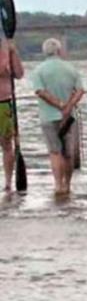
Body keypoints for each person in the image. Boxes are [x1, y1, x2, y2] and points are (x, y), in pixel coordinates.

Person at [30, 38, 84, 195]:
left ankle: (58, 186)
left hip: (48, 116)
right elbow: (80, 90)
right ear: (59, 51)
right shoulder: (70, 68)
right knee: (68, 153)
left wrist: (59, 105)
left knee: (55, 152)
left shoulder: (38, 70)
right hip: (68, 118)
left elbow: (41, 92)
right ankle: (67, 185)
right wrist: (68, 106)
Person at [0, 34, 23, 192]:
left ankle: (8, 182)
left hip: (4, 103)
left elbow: (19, 73)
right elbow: (2, 70)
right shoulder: (3, 54)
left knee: (7, 143)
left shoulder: (6, 52)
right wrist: (5, 54)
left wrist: (13, 52)